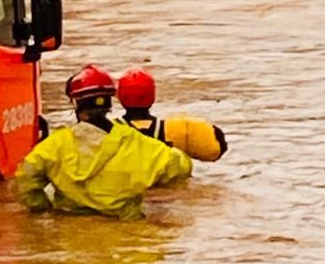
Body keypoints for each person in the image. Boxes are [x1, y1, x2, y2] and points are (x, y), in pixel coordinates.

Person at [15, 64, 193, 219]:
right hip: (125, 232)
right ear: (109, 103)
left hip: (70, 231)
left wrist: (43, 208)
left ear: (76, 104)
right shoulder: (136, 142)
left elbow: (25, 182)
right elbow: (181, 167)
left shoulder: (54, 145)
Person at [117, 68, 228, 162]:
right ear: (152, 97)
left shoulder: (111, 131)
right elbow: (218, 147)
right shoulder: (175, 130)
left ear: (120, 97)